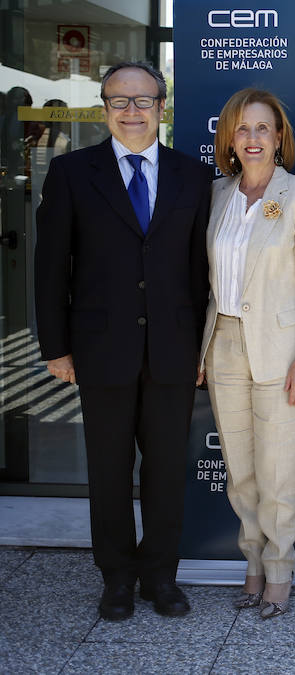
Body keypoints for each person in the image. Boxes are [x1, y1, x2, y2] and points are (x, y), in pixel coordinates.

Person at [34, 61, 211, 620]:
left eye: (143, 101)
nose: (132, 111)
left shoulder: (193, 175)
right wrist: (55, 348)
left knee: (164, 470)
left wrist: (201, 348)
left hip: (172, 350)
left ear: (163, 108)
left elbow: (202, 271)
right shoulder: (70, 173)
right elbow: (49, 268)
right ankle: (115, 577)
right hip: (99, 349)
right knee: (109, 470)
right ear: (104, 108)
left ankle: (161, 577)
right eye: (120, 101)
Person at [197, 88, 295, 620]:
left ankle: (279, 570)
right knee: (241, 473)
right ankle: (252, 563)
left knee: (279, 473)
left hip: (284, 347)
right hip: (225, 342)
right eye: (243, 129)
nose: (252, 139)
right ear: (229, 138)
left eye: (263, 129)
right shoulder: (216, 195)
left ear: (279, 138)